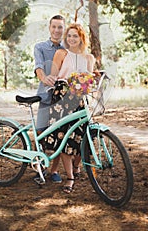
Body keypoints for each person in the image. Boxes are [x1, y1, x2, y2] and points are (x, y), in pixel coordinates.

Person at [50, 23, 95, 193]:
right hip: (62, 97)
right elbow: (54, 76)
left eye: (75, 36)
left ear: (81, 38)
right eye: (69, 36)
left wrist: (92, 79)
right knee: (64, 138)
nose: (71, 39)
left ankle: (76, 168)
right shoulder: (62, 53)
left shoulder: (89, 58)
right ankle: (70, 177)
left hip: (80, 99)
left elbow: (89, 79)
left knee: (82, 137)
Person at [34, 14, 65, 183]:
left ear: (63, 29)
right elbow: (38, 67)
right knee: (40, 132)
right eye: (54, 26)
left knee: (60, 134)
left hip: (62, 98)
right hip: (46, 96)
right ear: (49, 27)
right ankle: (40, 167)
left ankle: (53, 170)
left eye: (60, 27)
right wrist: (44, 78)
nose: (57, 30)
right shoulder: (40, 47)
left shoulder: (68, 48)